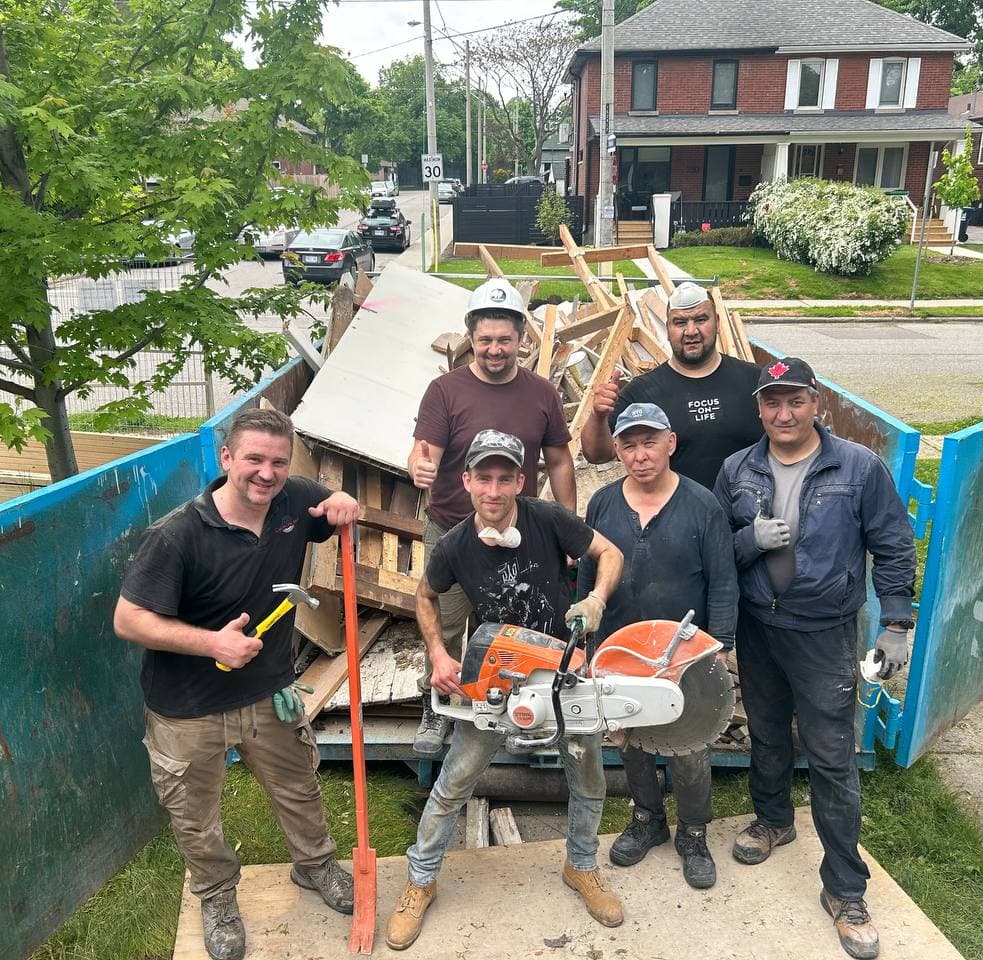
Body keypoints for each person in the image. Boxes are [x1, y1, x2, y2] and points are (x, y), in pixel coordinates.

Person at [113, 407, 361, 960]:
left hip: (268, 692)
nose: (266, 474)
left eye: (277, 461)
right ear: (226, 459)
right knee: (195, 813)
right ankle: (218, 896)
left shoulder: (293, 502)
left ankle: (316, 867)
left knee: (299, 788)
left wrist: (343, 505)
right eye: (253, 459)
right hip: (187, 707)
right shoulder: (176, 535)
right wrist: (212, 643)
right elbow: (128, 620)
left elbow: (331, 508)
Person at [386, 429, 624, 951]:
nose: (493, 491)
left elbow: (608, 553)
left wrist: (597, 599)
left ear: (521, 480)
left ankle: (580, 866)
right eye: (483, 478)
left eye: (504, 478)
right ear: (466, 480)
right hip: (497, 672)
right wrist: (439, 653)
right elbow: (425, 597)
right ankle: (420, 881)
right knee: (455, 780)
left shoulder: (548, 519)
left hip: (565, 668)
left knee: (587, 775)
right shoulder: (454, 545)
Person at [713, 358, 916, 960]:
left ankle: (846, 889)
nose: (784, 413)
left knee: (831, 758)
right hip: (759, 627)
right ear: (759, 409)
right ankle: (773, 820)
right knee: (768, 734)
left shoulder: (857, 468)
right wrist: (750, 540)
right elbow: (718, 549)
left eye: (795, 400)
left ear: (815, 402)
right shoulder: (738, 469)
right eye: (772, 402)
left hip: (824, 633)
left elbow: (893, 543)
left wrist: (897, 624)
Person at [407, 277, 576, 756]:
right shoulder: (445, 391)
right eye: (485, 340)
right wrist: (417, 466)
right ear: (471, 339)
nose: (496, 349)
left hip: (520, 534)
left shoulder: (542, 393)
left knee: (518, 621)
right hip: (455, 532)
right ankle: (435, 700)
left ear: (522, 338)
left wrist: (566, 525)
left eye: (505, 339)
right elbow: (423, 453)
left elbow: (560, 460)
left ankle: (515, 705)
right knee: (446, 619)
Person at [577, 402, 738, 890]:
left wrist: (722, 647)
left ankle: (692, 832)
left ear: (670, 443)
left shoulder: (702, 505)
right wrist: (588, 645)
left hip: (683, 654)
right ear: (617, 451)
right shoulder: (603, 503)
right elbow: (587, 575)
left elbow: (724, 581)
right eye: (629, 444)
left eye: (650, 442)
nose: (640, 454)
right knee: (631, 740)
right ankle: (647, 819)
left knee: (688, 745)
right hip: (622, 650)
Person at [580, 281, 761, 492]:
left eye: (701, 319)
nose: (691, 331)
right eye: (680, 322)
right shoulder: (641, 394)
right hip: (674, 520)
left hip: (749, 518)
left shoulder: (755, 382)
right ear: (667, 328)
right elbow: (597, 455)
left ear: (718, 322)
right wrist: (598, 416)